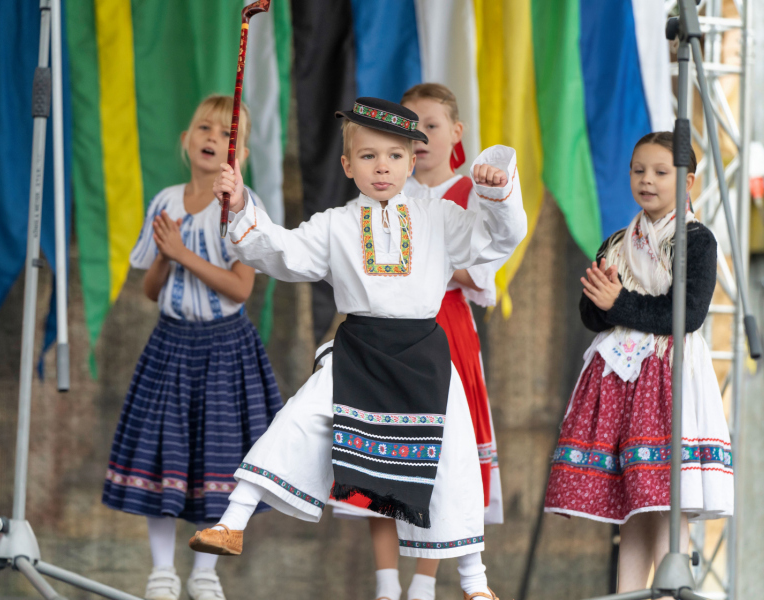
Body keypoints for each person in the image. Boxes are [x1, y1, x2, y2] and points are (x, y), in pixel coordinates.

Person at [189, 96, 527, 600]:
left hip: (424, 355)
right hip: (358, 351)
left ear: (413, 161)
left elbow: (498, 239)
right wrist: (239, 206)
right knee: (297, 420)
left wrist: (496, 191)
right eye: (368, 156)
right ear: (348, 166)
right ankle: (232, 522)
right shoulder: (335, 224)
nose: (383, 167)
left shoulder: (439, 216)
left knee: (454, 457)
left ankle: (476, 584)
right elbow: (280, 251)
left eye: (394, 156)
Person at [101, 95, 283, 600]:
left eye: (227, 134)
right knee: (165, 458)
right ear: (185, 139)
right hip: (170, 345)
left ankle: (206, 574)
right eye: (204, 127)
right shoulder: (164, 201)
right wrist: (166, 257)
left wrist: (183, 253)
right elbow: (151, 288)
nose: (211, 138)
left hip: (226, 351)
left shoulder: (243, 208)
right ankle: (162, 573)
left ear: (240, 154)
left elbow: (242, 288)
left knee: (219, 465)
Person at [329, 84, 504, 600]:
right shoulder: (380, 195)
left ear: (456, 132)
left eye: (431, 125)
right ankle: (387, 584)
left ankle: (423, 585)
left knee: (436, 454)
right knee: (381, 447)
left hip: (443, 329)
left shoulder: (464, 195)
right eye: (412, 127)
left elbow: (484, 274)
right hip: (382, 328)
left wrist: (432, 258)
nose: (421, 136)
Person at [544, 132, 733, 593]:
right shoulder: (617, 241)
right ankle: (629, 592)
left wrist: (619, 300)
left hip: (670, 374)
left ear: (688, 180)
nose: (646, 180)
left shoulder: (695, 241)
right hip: (622, 378)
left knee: (670, 492)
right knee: (635, 494)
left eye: (660, 172)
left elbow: (686, 315)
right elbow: (593, 314)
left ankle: (674, 587)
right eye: (638, 170)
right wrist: (604, 299)